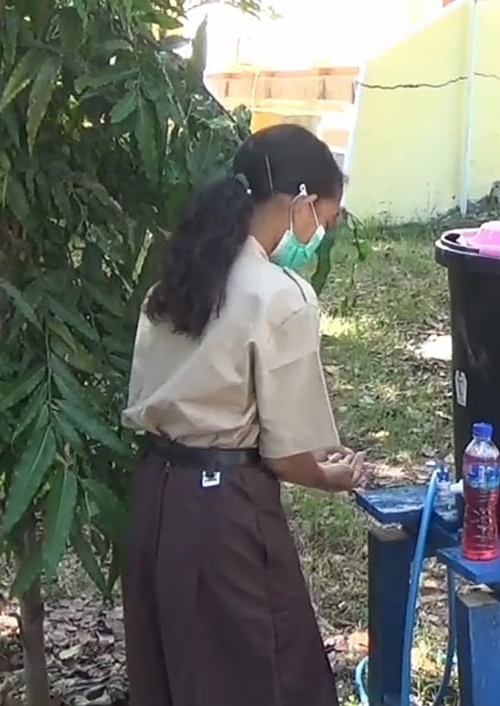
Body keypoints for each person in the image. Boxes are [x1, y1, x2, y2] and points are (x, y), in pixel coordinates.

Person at [121, 123, 367, 706]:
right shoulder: (279, 296)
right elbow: (288, 454)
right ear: (301, 202)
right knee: (266, 676)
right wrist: (331, 474)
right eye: (324, 222)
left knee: (172, 674)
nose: (318, 238)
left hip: (156, 501)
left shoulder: (177, 279)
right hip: (223, 514)